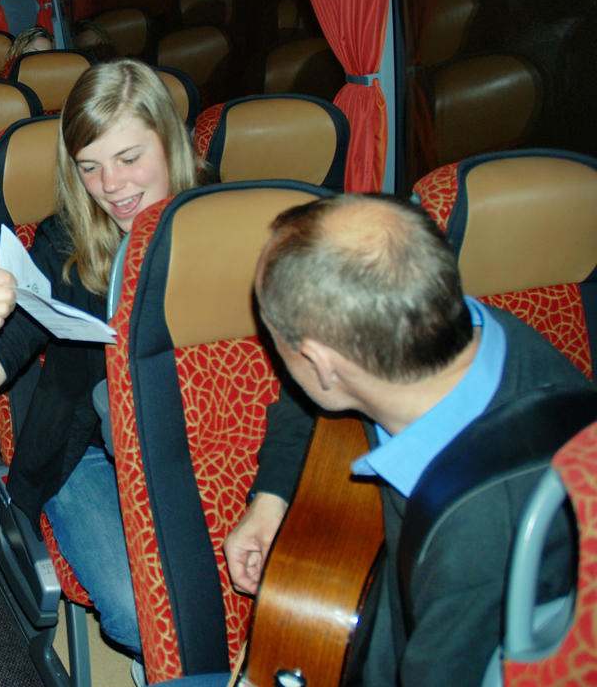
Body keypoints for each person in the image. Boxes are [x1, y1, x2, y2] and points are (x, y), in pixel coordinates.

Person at [222, 194, 595, 687]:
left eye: (277, 339)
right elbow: (306, 392)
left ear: (320, 363)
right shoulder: (469, 330)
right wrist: (273, 494)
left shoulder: (478, 549)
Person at [0, 59, 198, 659]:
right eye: (89, 166)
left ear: (170, 142)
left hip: (199, 440)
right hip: (87, 451)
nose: (111, 186)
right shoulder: (66, 242)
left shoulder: (220, 223)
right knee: (141, 613)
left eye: (129, 158)